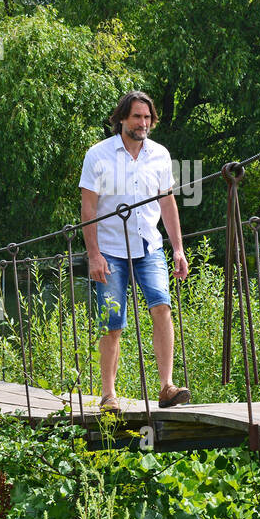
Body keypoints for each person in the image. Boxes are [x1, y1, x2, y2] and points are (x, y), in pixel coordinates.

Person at [80, 91, 190, 413]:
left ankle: (166, 387)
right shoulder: (98, 156)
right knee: (112, 322)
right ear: (122, 119)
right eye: (137, 117)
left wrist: (179, 249)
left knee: (162, 307)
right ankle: (109, 395)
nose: (143, 123)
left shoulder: (159, 155)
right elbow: (88, 209)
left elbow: (167, 202)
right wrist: (94, 255)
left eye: (147, 118)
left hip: (150, 246)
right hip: (110, 251)